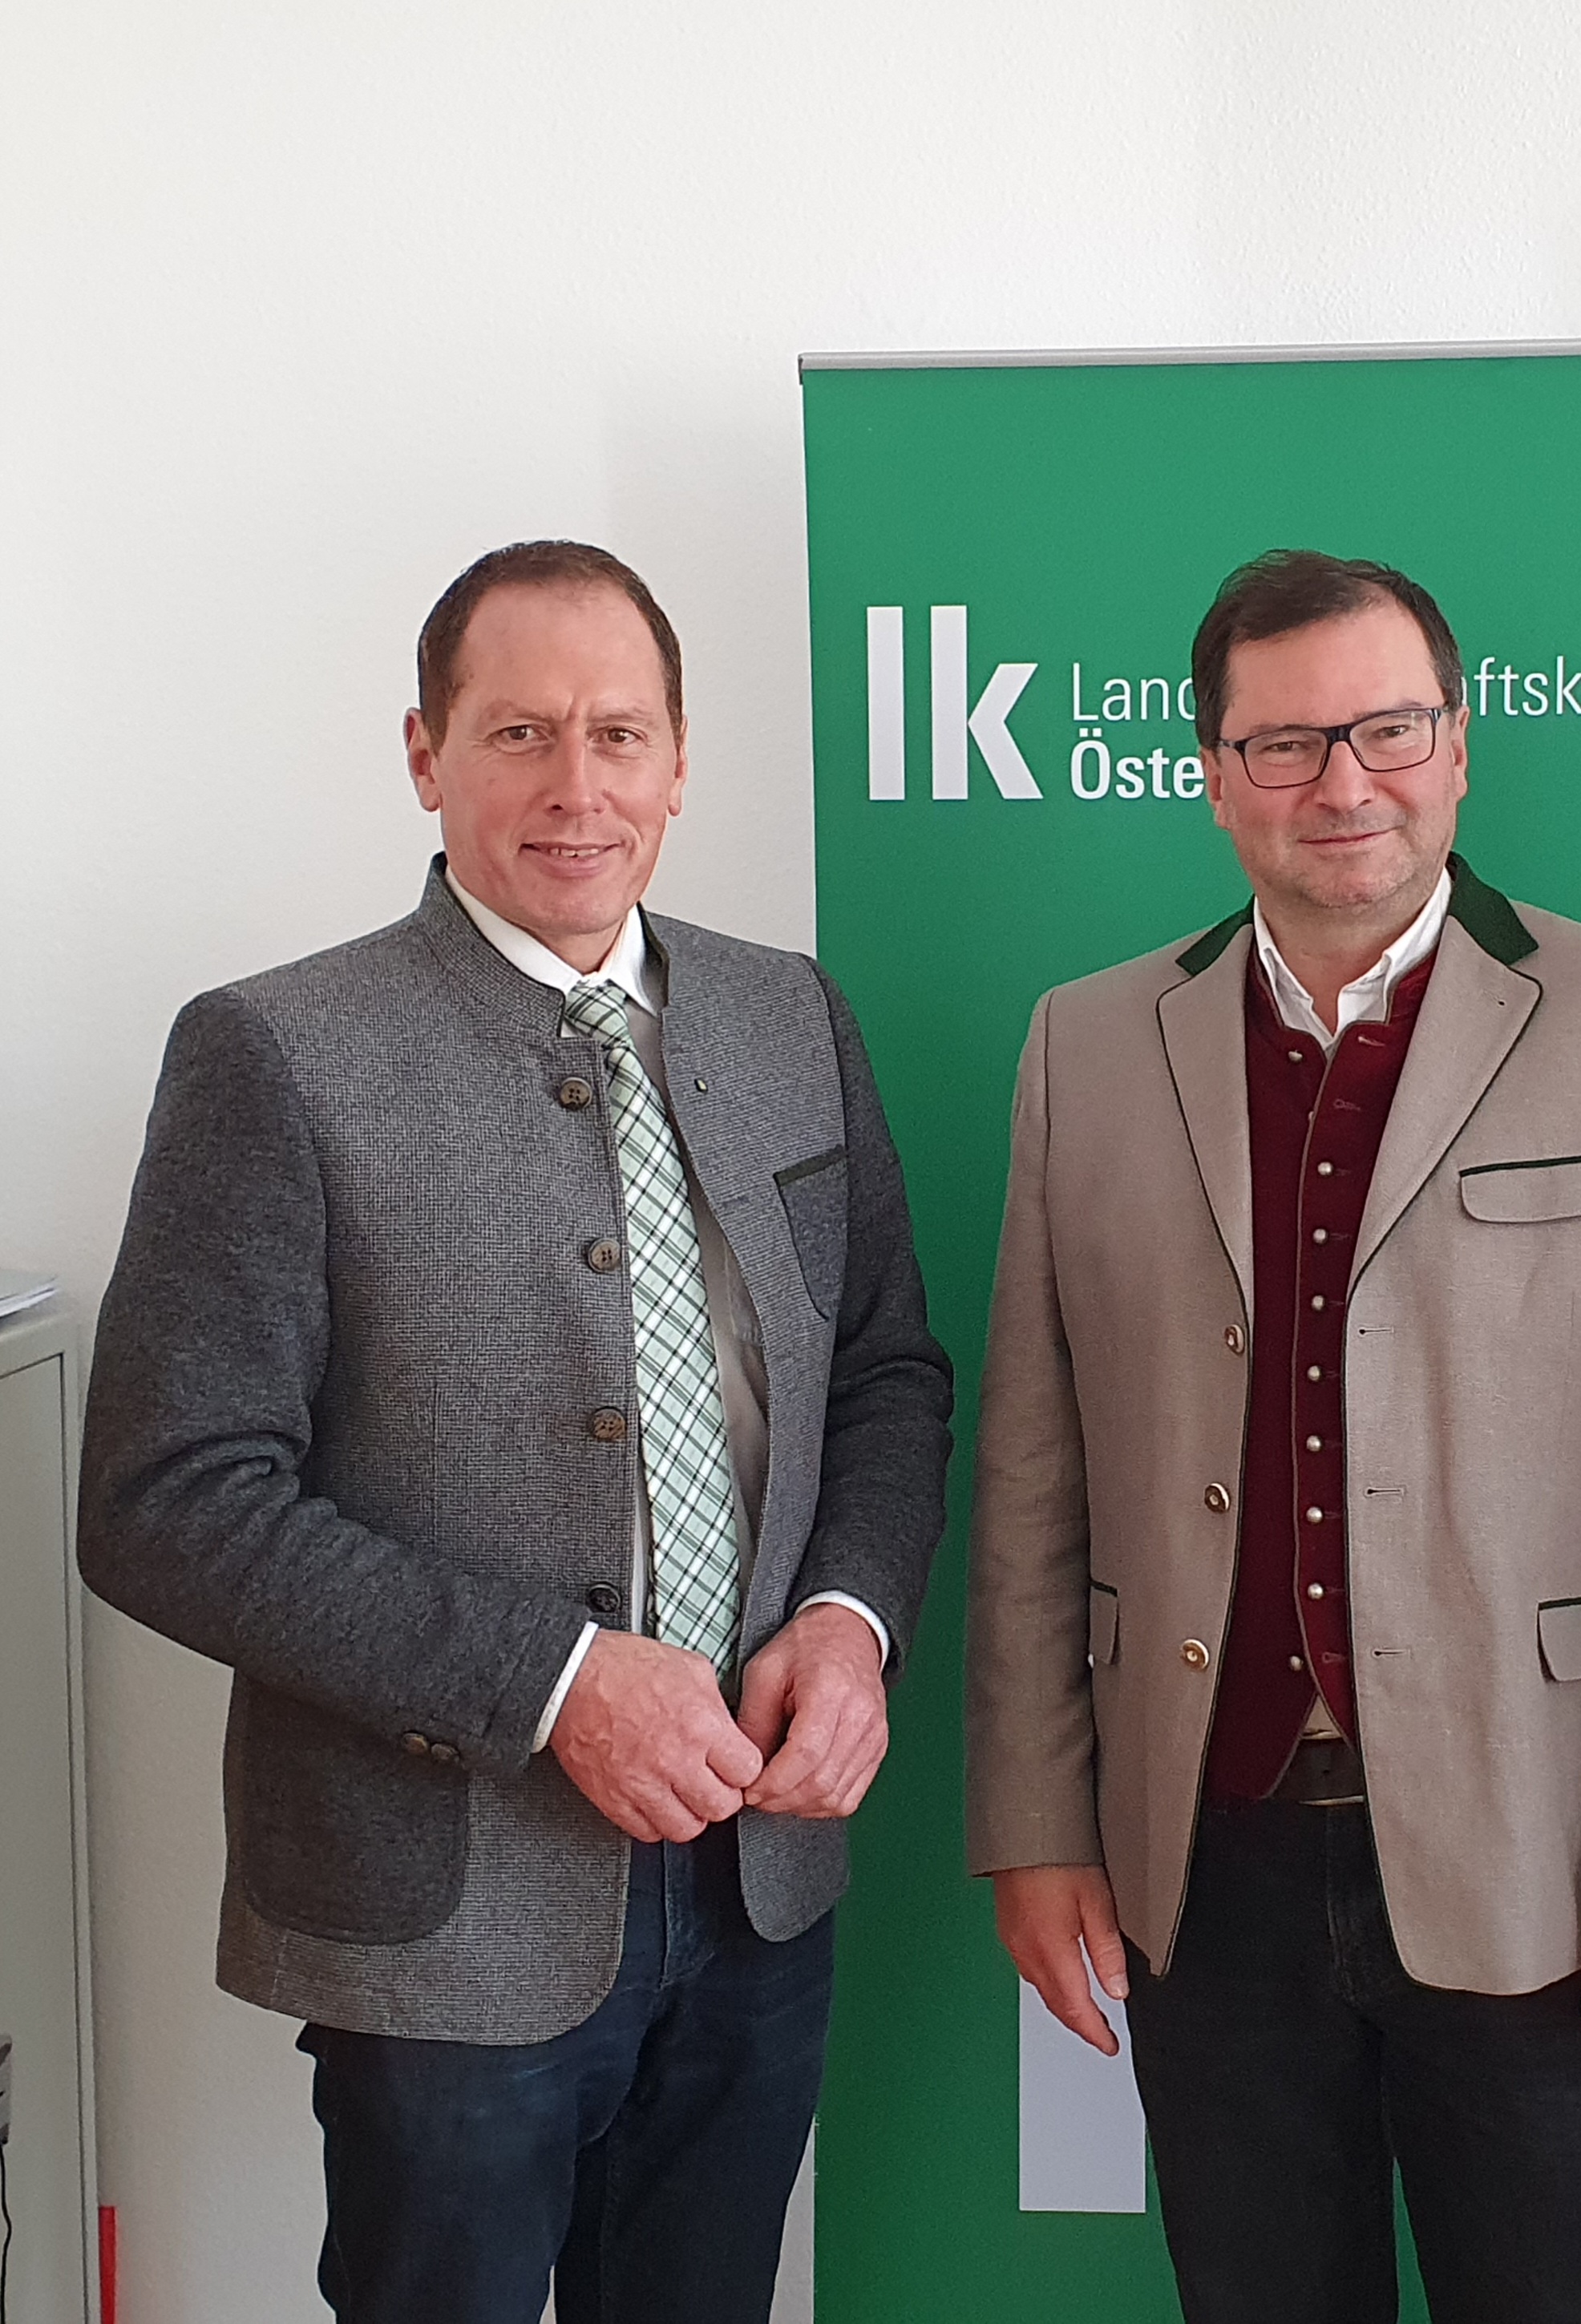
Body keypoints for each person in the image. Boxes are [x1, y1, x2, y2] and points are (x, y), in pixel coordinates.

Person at [79, 540, 953, 2324]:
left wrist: (851, 1621)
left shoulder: (793, 1015)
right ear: (426, 755)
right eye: (519, 732)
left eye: (620, 734)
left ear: (681, 762)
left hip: (762, 1879)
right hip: (446, 1924)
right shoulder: (277, 1051)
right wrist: (558, 1684)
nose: (578, 786)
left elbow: (885, 1373)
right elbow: (169, 1498)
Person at [965, 549, 1581, 2322]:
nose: (1343, 782)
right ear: (1213, 775)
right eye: (1284, 744)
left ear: (1458, 745)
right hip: (1204, 1861)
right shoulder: (1084, 1045)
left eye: (1388, 730)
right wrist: (1035, 1822)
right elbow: (1035, 1479)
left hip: (1540, 1858)